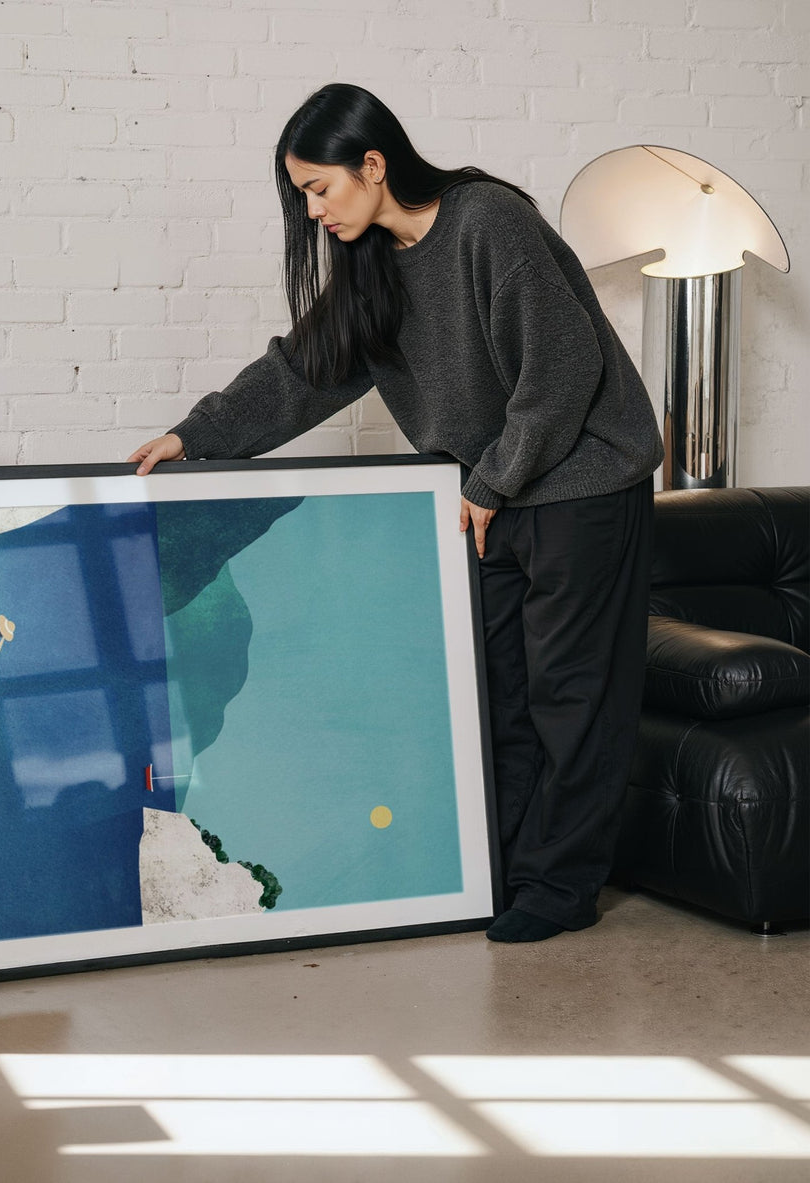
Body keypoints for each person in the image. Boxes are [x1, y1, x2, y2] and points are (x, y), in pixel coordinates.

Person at [128, 83, 664, 943]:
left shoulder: (488, 222)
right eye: (301, 195)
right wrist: (198, 435)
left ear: (373, 165)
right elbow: (305, 370)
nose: (312, 212)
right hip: (493, 492)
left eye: (320, 189)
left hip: (580, 480)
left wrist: (492, 481)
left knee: (573, 694)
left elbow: (561, 372)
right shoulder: (373, 263)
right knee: (501, 695)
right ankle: (508, 872)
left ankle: (559, 888)